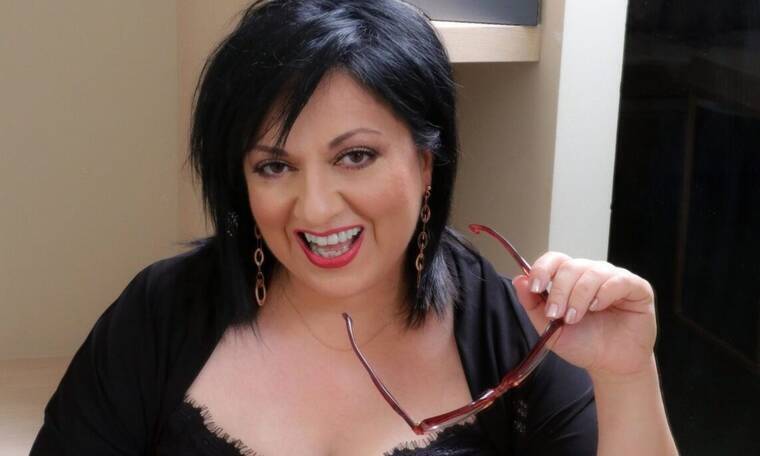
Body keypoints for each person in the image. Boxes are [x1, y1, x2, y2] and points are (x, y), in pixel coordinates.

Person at [31, 0, 678, 454]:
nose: (314, 209)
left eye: (356, 156)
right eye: (275, 166)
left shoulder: (508, 333)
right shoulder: (160, 314)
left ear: (425, 162)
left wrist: (626, 376)